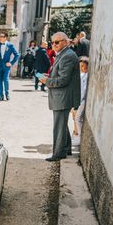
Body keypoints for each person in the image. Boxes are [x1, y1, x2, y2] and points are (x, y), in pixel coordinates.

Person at [39, 32, 80, 162]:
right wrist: (49, 77)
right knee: (62, 124)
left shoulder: (68, 56)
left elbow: (63, 80)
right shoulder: (64, 54)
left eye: (57, 42)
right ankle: (66, 149)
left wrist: (47, 81)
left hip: (63, 96)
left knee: (59, 125)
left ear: (65, 42)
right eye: (53, 42)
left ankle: (58, 153)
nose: (54, 45)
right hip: (62, 96)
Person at [0, 31, 20, 101]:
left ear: (5, 37)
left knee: (6, 80)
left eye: (2, 36)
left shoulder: (10, 45)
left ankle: (7, 95)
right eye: (0, 36)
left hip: (6, 66)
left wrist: (11, 63)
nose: (0, 38)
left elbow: (17, 55)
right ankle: (1, 96)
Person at [73, 56, 89, 142]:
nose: (82, 68)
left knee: (77, 118)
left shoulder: (86, 76)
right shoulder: (82, 75)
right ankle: (79, 135)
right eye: (80, 66)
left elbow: (83, 90)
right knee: (77, 118)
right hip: (80, 100)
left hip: (82, 101)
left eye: (84, 66)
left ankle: (80, 137)